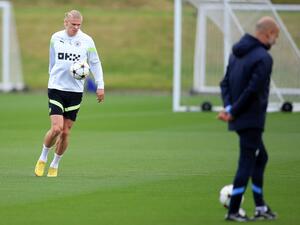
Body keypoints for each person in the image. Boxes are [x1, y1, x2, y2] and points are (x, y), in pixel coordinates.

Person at [218, 16, 280, 222]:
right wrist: (233, 111)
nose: (276, 41)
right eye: (275, 36)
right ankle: (234, 210)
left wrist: (229, 108)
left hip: (239, 116)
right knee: (247, 161)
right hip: (251, 118)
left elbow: (224, 83)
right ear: (267, 33)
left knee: (260, 157)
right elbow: (252, 91)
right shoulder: (263, 58)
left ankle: (260, 205)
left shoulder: (236, 54)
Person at [34, 10, 104, 177]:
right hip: (56, 88)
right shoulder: (55, 37)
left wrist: (100, 85)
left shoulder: (87, 40)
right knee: (57, 128)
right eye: (73, 24)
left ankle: (55, 163)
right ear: (65, 22)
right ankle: (43, 157)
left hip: (75, 91)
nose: (76, 27)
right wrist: (52, 75)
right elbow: (52, 60)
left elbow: (95, 63)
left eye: (79, 25)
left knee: (65, 132)